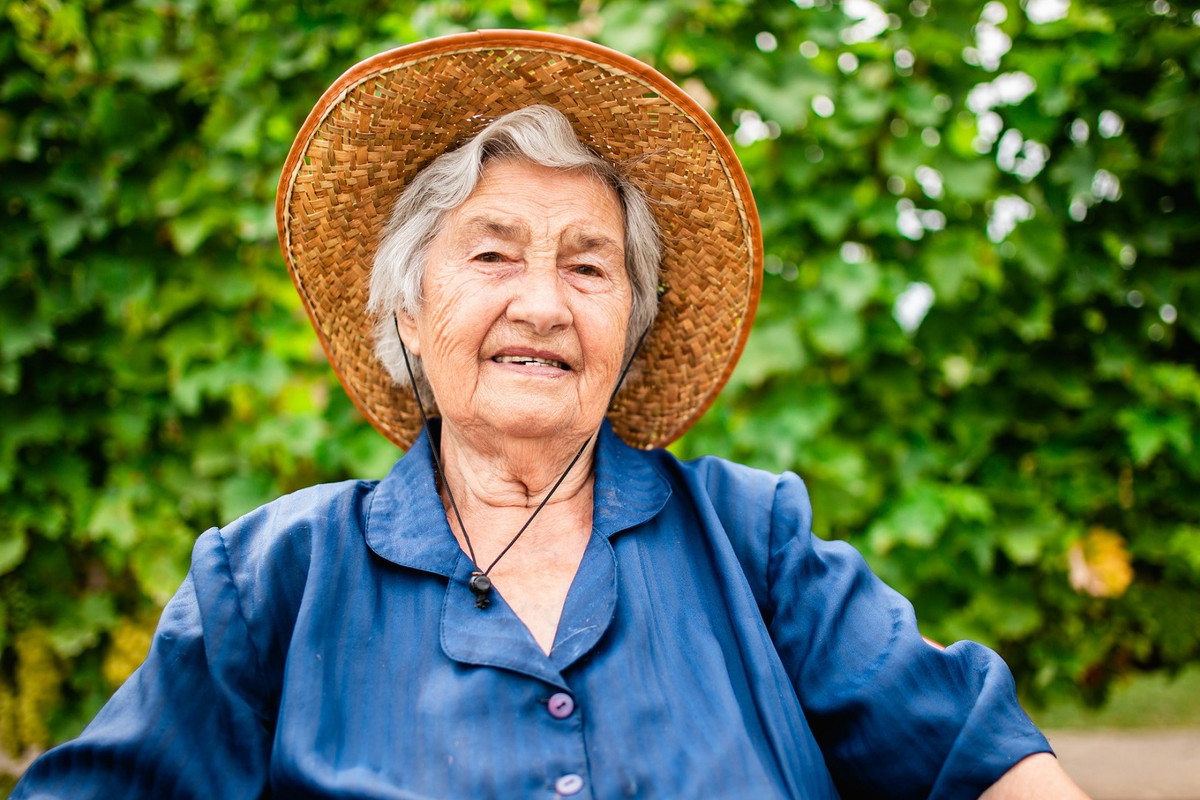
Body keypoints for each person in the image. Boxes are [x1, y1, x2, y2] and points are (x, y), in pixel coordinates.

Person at [13, 30, 1088, 799]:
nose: (542, 301)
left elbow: (978, 757)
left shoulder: (754, 539)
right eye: (491, 253)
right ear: (408, 304)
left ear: (629, 325)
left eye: (589, 265)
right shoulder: (270, 583)